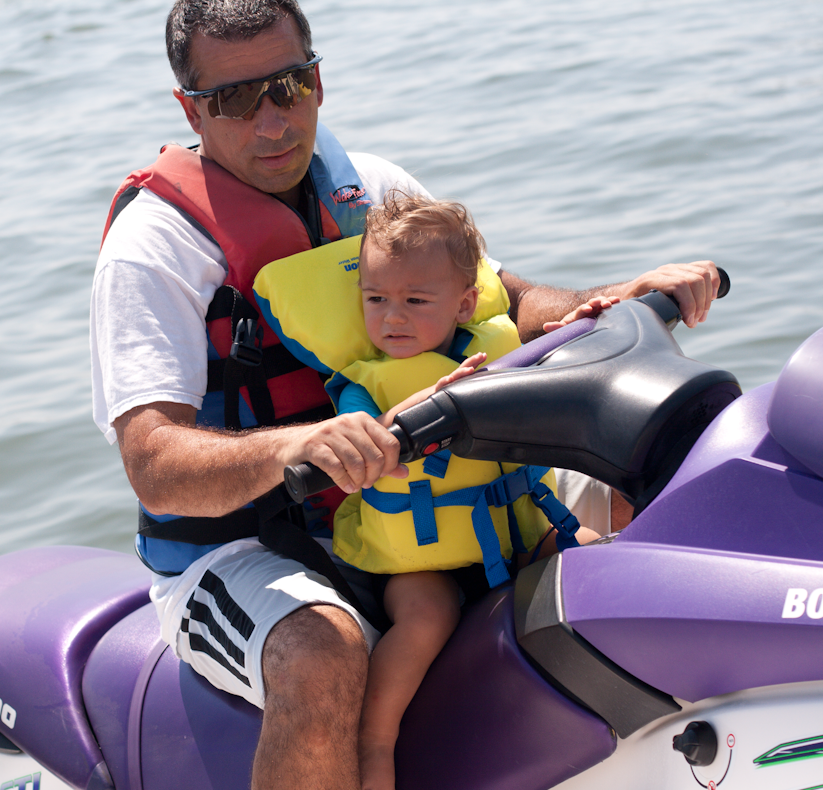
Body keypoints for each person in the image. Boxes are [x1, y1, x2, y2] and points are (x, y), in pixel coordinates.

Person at [90, 2, 722, 787]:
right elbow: (153, 458)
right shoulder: (155, 248)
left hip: (416, 486)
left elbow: (499, 304)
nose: (273, 121)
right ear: (191, 108)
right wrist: (298, 445)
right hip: (234, 544)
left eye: (288, 86)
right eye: (236, 100)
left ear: (317, 80)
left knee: (657, 482)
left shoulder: (372, 193)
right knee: (322, 654)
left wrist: (621, 296)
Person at [317, 192, 606, 790]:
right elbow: (374, 453)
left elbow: (556, 376)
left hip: (513, 531)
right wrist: (425, 405)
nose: (391, 317)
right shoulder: (360, 385)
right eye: (376, 300)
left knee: (600, 550)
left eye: (415, 301)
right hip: (418, 563)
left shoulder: (497, 353)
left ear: (465, 303)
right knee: (428, 617)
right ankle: (375, 744)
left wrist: (589, 325)